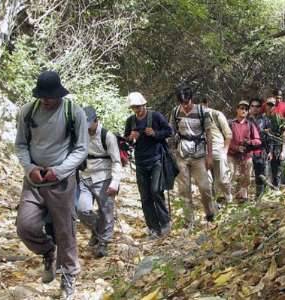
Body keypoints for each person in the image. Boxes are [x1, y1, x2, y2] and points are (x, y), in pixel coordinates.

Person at [15, 71, 88, 298]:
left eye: (50, 96)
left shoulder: (73, 112)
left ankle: (68, 276)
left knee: (65, 231)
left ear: (59, 93)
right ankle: (48, 252)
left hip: (62, 181)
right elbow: (21, 145)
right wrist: (30, 169)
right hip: (34, 181)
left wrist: (59, 171)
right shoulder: (28, 112)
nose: (46, 100)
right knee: (25, 226)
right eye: (42, 96)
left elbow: (81, 148)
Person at [124, 92, 173, 239]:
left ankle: (165, 223)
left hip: (156, 159)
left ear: (144, 105)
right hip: (140, 161)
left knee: (156, 190)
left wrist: (155, 133)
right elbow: (125, 141)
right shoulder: (130, 121)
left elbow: (169, 131)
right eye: (134, 108)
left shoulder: (156, 116)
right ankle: (153, 227)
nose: (137, 110)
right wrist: (130, 138)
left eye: (138, 107)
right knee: (145, 196)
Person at [77, 106, 121, 257]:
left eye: (89, 124)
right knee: (82, 209)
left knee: (106, 211)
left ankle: (104, 242)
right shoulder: (80, 133)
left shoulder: (107, 136)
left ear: (96, 120)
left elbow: (116, 161)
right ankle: (97, 231)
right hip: (84, 176)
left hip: (104, 177)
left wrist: (115, 182)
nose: (87, 128)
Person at [170, 85, 216, 227]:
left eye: (187, 102)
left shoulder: (202, 112)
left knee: (204, 187)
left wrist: (209, 155)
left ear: (191, 99)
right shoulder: (176, 112)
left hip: (199, 154)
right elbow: (171, 131)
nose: (185, 105)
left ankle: (210, 213)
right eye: (182, 103)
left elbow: (208, 134)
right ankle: (189, 220)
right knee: (184, 189)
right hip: (182, 154)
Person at [200, 98, 233, 204]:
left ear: (205, 103)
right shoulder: (193, 118)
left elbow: (228, 134)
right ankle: (214, 205)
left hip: (218, 150)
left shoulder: (216, 114)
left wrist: (225, 150)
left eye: (200, 105)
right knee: (207, 182)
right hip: (202, 152)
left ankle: (229, 199)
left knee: (222, 180)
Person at [228, 100, 261, 202]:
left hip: (246, 155)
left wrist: (249, 142)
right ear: (237, 109)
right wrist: (236, 147)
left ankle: (243, 197)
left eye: (246, 109)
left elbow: (258, 140)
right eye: (241, 108)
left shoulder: (250, 125)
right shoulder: (230, 123)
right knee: (230, 175)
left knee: (246, 177)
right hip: (232, 154)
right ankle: (227, 198)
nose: (244, 111)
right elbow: (225, 139)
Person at [267, 89, 285, 188]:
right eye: (276, 98)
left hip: (283, 137)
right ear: (273, 96)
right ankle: (274, 184)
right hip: (270, 137)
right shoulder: (268, 105)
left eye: (280, 98)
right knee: (273, 162)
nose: (278, 100)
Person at [247, 97, 271, 199]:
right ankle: (243, 198)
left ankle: (260, 197)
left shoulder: (265, 120)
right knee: (245, 176)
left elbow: (269, 138)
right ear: (249, 108)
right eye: (252, 106)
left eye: (257, 106)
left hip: (261, 151)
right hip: (247, 152)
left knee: (261, 175)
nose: (255, 108)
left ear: (261, 107)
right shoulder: (245, 120)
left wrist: (270, 151)